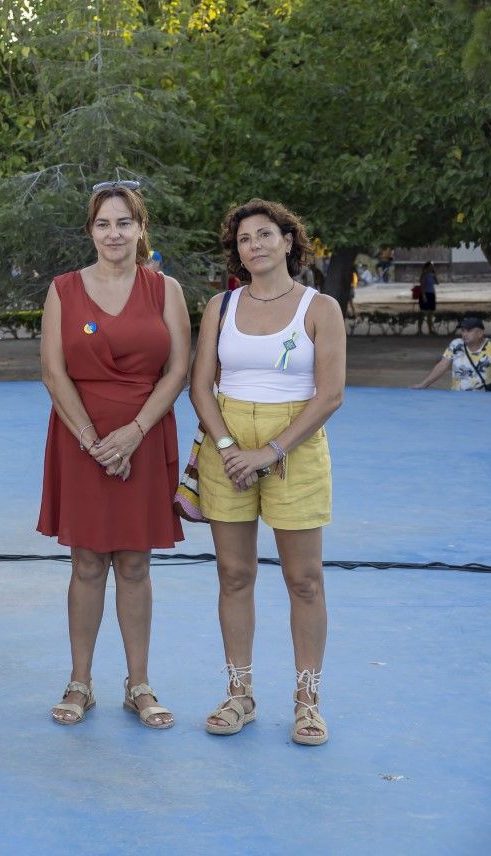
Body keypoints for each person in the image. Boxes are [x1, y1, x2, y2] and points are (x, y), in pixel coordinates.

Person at [189, 199, 345, 747]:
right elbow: (199, 386)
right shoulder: (220, 306)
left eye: (264, 235)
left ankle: (307, 702)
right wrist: (231, 446)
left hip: (294, 447)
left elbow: (329, 396)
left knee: (304, 580)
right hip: (228, 446)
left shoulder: (319, 308)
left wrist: (270, 450)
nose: (253, 245)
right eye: (243, 239)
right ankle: (239, 694)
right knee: (234, 575)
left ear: (288, 240)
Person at [37, 181, 191, 729]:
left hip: (143, 439)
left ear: (141, 228)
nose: (114, 233)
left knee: (134, 561)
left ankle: (139, 683)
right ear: (90, 232)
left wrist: (133, 434)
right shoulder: (63, 290)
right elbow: (53, 371)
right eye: (103, 224)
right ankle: (80, 682)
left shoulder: (164, 289)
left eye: (124, 222)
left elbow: (178, 369)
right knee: (85, 562)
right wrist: (91, 440)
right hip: (82, 440)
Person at [412, 316, 491, 391]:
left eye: (469, 331)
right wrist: (423, 385)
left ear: (480, 333)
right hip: (458, 398)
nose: (464, 334)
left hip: (484, 397)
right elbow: (442, 365)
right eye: (463, 330)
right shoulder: (456, 344)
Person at [418, 260, 439, 335]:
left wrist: (435, 273)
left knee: (430, 313)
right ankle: (419, 330)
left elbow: (437, 282)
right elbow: (422, 286)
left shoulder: (432, 275)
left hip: (431, 294)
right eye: (431, 266)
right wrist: (423, 296)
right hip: (425, 294)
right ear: (427, 267)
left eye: (433, 266)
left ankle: (430, 330)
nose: (432, 267)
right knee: (423, 313)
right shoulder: (424, 275)